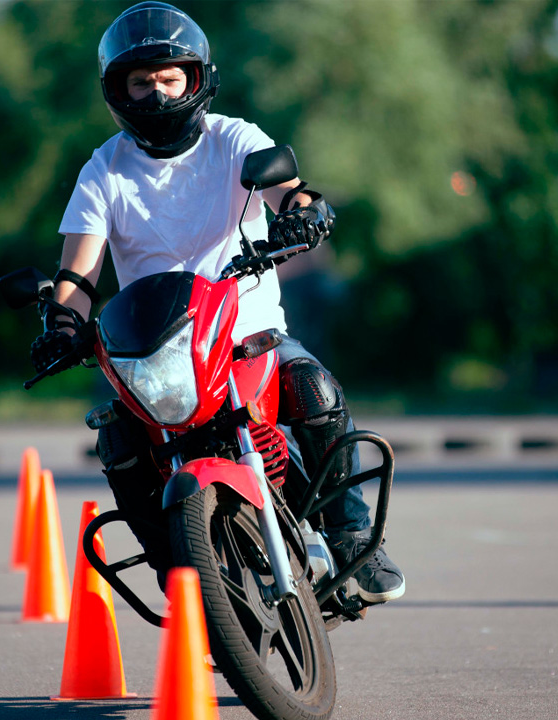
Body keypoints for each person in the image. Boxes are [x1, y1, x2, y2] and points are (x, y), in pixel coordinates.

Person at [31, 1, 403, 604]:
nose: (156, 93)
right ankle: (176, 574)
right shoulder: (102, 171)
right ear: (117, 90)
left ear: (196, 79)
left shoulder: (235, 139)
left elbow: (290, 191)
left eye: (170, 77)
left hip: (246, 332)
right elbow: (78, 270)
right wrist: (63, 321)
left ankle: (354, 539)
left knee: (313, 389)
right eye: (141, 81)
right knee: (118, 443)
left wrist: (304, 213)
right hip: (153, 353)